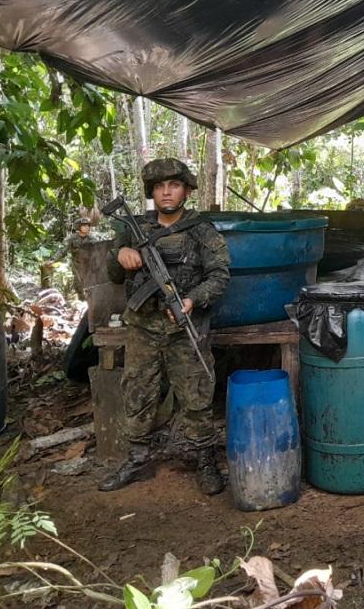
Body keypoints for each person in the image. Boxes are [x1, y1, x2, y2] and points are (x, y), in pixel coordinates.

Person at [99, 158, 230, 494]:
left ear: (186, 190)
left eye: (173, 185)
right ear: (151, 192)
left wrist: (191, 300)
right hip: (143, 326)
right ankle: (137, 457)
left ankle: (205, 459)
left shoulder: (201, 231)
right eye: (159, 187)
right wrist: (121, 254)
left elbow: (220, 276)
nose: (166, 192)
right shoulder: (133, 228)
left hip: (184, 327)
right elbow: (113, 275)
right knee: (137, 390)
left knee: (196, 393)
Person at [45, 217, 99, 297]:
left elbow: (98, 251)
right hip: (77, 265)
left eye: (88, 225)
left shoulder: (93, 239)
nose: (86, 227)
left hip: (89, 265)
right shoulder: (72, 238)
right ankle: (81, 299)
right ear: (79, 227)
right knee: (78, 284)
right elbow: (62, 250)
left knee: (91, 284)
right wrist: (53, 260)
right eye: (84, 225)